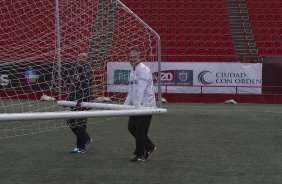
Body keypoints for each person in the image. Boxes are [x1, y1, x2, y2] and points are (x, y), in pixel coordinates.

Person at [124, 50, 157, 162]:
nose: (132, 59)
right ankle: (149, 146)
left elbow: (141, 90)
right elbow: (132, 90)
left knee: (140, 131)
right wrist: (125, 105)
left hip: (146, 105)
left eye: (134, 57)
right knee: (131, 128)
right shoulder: (132, 72)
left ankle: (141, 154)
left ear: (139, 57)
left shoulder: (144, 70)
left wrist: (137, 108)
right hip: (137, 106)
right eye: (130, 57)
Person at [66, 52, 93, 154]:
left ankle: (81, 146)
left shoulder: (87, 70)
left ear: (87, 59)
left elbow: (85, 87)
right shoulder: (76, 70)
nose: (82, 59)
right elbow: (74, 87)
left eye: (84, 57)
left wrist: (80, 101)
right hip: (75, 101)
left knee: (78, 123)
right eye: (80, 57)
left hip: (82, 102)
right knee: (72, 122)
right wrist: (69, 99)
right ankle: (84, 141)